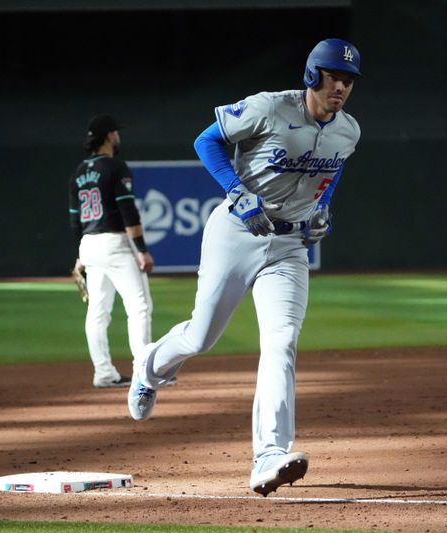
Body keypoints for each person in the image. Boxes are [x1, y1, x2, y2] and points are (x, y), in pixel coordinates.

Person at [127, 38, 362, 496]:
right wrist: (237, 190)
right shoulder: (268, 109)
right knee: (201, 335)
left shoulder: (348, 131)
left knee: (282, 341)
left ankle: (269, 454)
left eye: (349, 81)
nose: (341, 87)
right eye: (334, 77)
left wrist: (324, 206)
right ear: (313, 75)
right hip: (236, 232)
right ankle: (149, 367)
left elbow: (332, 171)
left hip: (291, 245)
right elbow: (207, 140)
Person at [68, 114, 154, 389]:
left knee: (98, 312)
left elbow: (74, 220)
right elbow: (128, 211)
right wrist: (141, 250)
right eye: (116, 132)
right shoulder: (116, 167)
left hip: (89, 245)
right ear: (108, 136)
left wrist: (80, 253)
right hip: (114, 243)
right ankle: (143, 371)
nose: (118, 136)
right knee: (139, 307)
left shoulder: (78, 172)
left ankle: (104, 372)